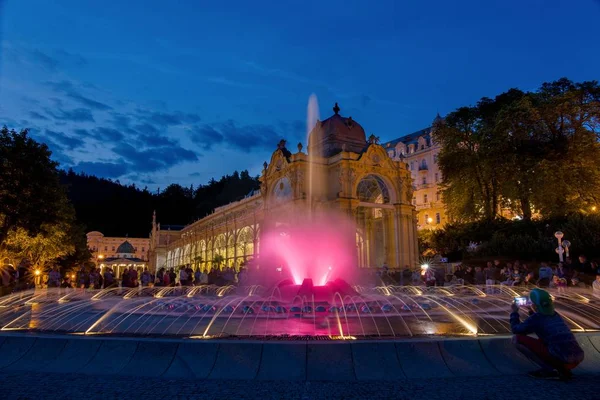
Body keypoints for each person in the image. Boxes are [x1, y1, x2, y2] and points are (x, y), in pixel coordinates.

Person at [510, 288, 584, 380]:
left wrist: (514, 312)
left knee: (516, 339)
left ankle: (549, 370)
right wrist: (531, 310)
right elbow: (539, 321)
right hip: (576, 358)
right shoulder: (555, 314)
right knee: (545, 339)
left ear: (535, 305)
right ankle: (563, 370)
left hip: (561, 358)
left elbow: (516, 330)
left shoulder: (537, 318)